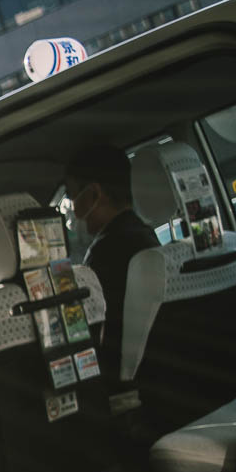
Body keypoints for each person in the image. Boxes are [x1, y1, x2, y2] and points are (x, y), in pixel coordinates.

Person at [62, 143, 159, 393]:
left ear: (94, 194)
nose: (72, 209)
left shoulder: (104, 254)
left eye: (72, 196)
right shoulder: (147, 237)